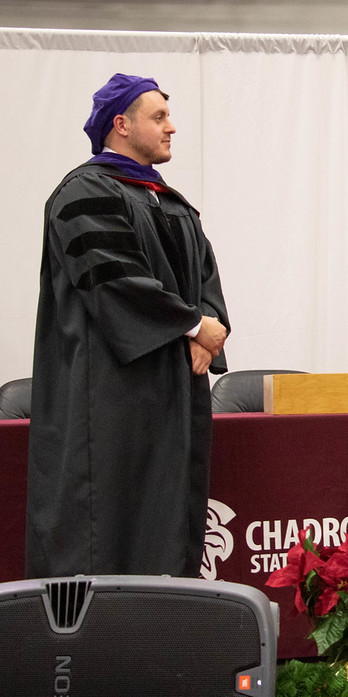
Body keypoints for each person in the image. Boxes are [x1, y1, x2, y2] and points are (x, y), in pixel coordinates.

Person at [25, 73, 230, 578]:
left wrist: (211, 327)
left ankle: (163, 640)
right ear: (121, 124)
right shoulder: (83, 192)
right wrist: (191, 326)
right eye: (159, 117)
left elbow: (205, 277)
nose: (172, 127)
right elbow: (113, 280)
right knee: (108, 519)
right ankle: (99, 650)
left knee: (171, 511)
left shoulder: (172, 201)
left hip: (175, 390)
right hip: (110, 392)